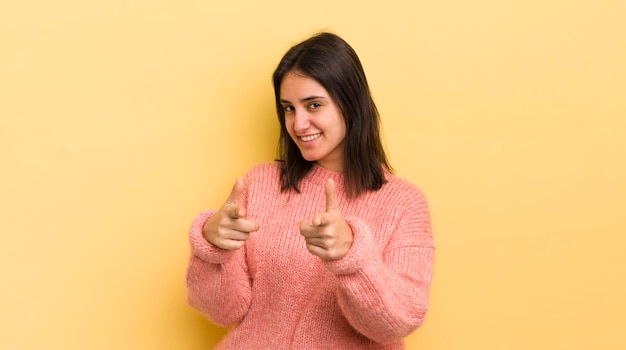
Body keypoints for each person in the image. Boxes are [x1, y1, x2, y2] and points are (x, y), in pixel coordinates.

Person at [186, 32, 435, 349]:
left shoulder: (404, 204)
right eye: (288, 108)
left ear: (351, 103)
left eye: (313, 105)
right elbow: (223, 311)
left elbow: (396, 323)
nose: (298, 124)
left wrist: (353, 256)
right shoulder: (259, 183)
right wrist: (211, 247)